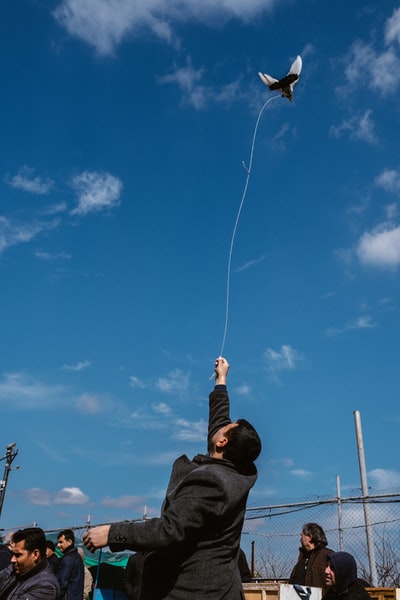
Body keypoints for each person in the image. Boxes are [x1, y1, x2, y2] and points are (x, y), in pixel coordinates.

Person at [83, 356, 262, 600]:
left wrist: (112, 534)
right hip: (220, 588)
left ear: (223, 442)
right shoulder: (236, 471)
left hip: (195, 592)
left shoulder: (211, 483)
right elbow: (219, 422)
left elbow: (169, 530)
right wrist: (221, 380)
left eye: (228, 426)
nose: (224, 424)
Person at [0, 527, 59, 600]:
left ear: (35, 555)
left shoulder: (46, 587)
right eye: (13, 554)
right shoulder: (15, 569)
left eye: (18, 555)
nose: (12, 560)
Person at [289, 523, 334, 594]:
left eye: (302, 536)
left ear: (309, 537)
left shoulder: (328, 556)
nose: (300, 539)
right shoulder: (302, 558)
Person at [57, 529, 84, 600]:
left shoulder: (68, 559)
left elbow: (62, 584)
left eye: (61, 542)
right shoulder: (77, 557)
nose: (58, 545)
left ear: (69, 542)